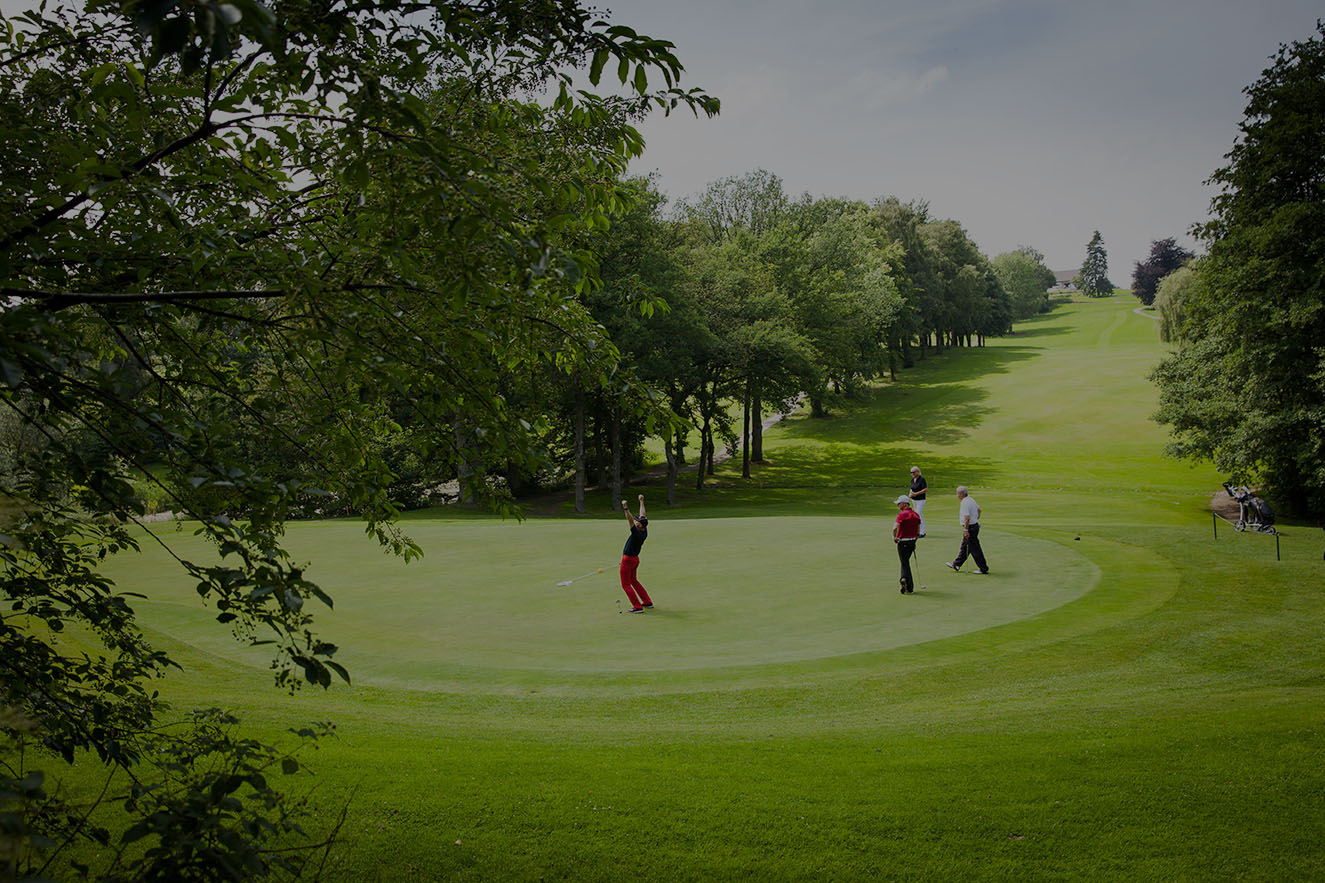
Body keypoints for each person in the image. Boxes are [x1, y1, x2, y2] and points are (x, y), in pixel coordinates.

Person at [619, 494, 653, 612]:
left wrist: (625, 507)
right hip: (635, 560)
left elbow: (629, 519)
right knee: (634, 581)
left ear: (639, 525)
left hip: (628, 560)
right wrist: (641, 501)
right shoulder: (644, 529)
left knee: (626, 585)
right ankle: (647, 602)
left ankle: (637, 606)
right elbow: (643, 514)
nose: (635, 520)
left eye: (637, 521)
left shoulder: (636, 532)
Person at [945, 486, 989, 574]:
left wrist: (966, 529)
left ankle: (983, 568)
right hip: (974, 526)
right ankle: (957, 564)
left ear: (961, 494)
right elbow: (979, 510)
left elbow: (967, 518)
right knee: (965, 547)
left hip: (970, 528)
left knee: (975, 548)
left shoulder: (965, 503)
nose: (957, 495)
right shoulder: (971, 499)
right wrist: (976, 520)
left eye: (957, 493)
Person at [892, 495, 922, 594]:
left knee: (905, 563)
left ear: (905, 503)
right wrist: (915, 541)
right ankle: (903, 579)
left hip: (903, 542)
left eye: (899, 503)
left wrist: (895, 537)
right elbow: (918, 531)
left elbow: (895, 528)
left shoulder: (902, 515)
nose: (898, 505)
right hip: (912, 541)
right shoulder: (916, 515)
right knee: (905, 562)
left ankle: (909, 587)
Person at [908, 466, 928, 537]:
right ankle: (918, 531)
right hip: (914, 500)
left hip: (921, 500)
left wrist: (916, 494)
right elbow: (911, 488)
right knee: (918, 515)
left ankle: (922, 532)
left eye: (913, 472)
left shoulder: (922, 479)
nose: (912, 474)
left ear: (918, 472)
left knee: (918, 514)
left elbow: (925, 489)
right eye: (911, 472)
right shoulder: (912, 480)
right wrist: (910, 494)